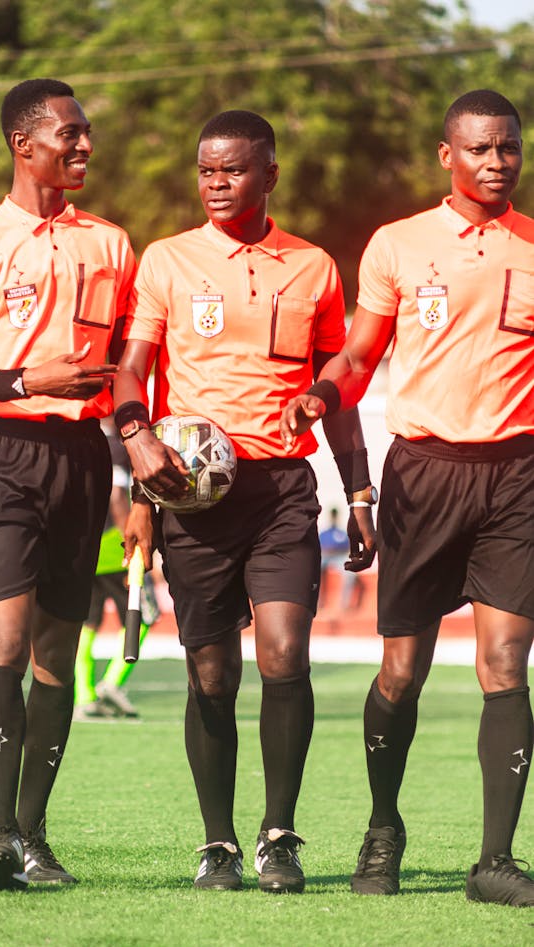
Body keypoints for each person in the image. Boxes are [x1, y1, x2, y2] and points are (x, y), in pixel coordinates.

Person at [281, 89, 534, 907]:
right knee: (403, 668)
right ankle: (383, 825)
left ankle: (496, 858)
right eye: (481, 149)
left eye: (509, 149)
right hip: (422, 475)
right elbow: (360, 351)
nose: (497, 163)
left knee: (504, 663)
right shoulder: (397, 245)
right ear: (446, 155)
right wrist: (324, 391)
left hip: (518, 475)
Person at [114, 110, 377, 893]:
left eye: (232, 170)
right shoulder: (167, 260)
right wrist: (136, 450)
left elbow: (342, 387)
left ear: (269, 173)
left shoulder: (315, 266)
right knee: (211, 675)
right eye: (205, 171)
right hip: (189, 496)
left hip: (283, 490)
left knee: (285, 653)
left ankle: (279, 835)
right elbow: (131, 372)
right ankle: (218, 842)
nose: (216, 183)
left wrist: (359, 489)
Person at [0, 78, 136, 891]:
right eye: (69, 134)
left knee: (56, 652)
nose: (83, 147)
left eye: (85, 135)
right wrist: (21, 379)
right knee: (5, 637)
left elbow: (130, 372)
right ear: (24, 142)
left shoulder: (112, 245)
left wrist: (138, 480)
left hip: (82, 460)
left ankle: (36, 834)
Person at [74, 419, 160, 720]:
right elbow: (116, 495)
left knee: (86, 624)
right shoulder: (118, 448)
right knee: (146, 614)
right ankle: (112, 681)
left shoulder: (82, 444)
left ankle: (84, 696)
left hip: (85, 547)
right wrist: (133, 539)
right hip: (115, 547)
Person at [318, 507, 359, 611]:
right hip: (325, 557)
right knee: (313, 570)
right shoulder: (324, 533)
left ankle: (344, 604)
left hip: (339, 557)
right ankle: (317, 603)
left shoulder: (342, 533)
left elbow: (348, 549)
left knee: (350, 573)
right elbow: (319, 548)